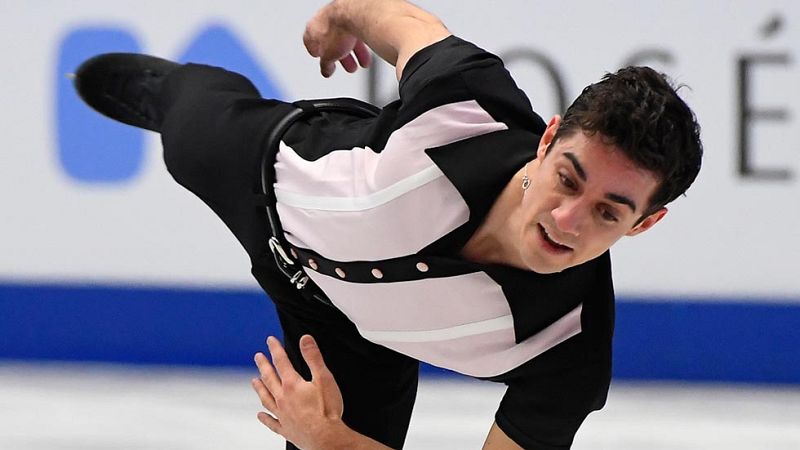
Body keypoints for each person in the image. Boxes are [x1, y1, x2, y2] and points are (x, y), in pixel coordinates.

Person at [72, 0, 702, 448]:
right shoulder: (467, 102)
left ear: (644, 224)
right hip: (271, 177)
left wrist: (329, 440)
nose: (567, 218)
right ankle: (178, 88)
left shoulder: (571, 349)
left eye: (608, 212)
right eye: (569, 178)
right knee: (187, 129)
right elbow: (406, 24)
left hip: (346, 338)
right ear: (547, 141)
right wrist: (341, 13)